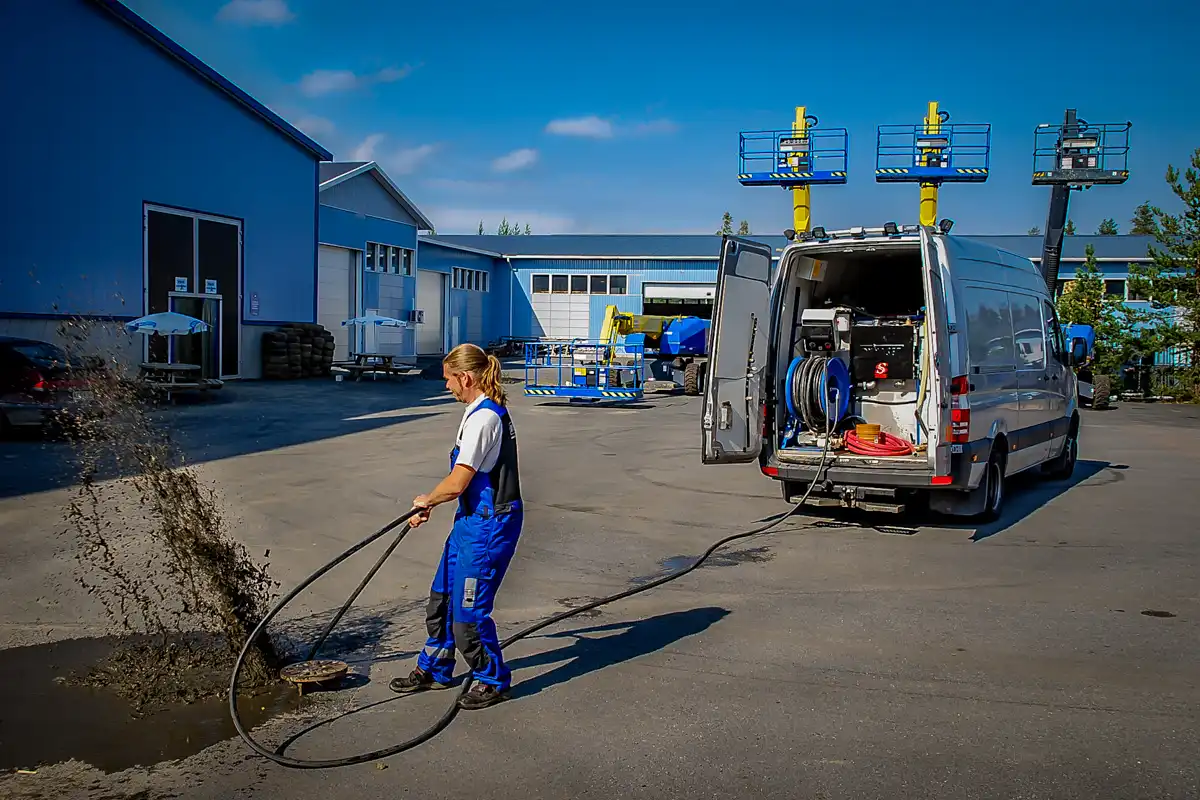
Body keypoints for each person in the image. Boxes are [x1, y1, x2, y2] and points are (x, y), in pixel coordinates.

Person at [388, 343, 523, 709]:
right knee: (443, 599)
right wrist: (432, 503)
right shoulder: (474, 411)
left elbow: (458, 481)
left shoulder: (484, 419)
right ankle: (436, 668)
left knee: (468, 614)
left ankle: (492, 679)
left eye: (448, 379)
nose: (446, 386)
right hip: (470, 520)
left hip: (490, 526)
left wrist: (427, 501)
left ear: (465, 377)